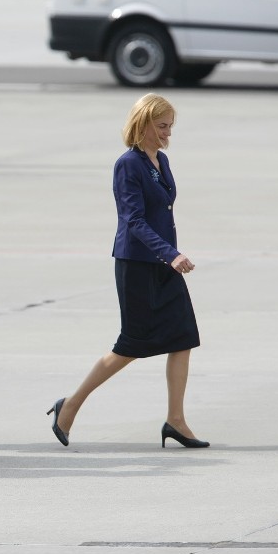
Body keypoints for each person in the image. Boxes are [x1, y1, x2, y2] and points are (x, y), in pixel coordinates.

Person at [48, 93, 208, 449]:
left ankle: (176, 420)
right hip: (138, 264)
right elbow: (132, 220)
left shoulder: (161, 160)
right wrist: (171, 254)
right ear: (144, 124)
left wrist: (170, 256)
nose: (168, 133)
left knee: (183, 337)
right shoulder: (128, 164)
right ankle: (69, 406)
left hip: (164, 263)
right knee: (131, 344)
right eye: (162, 126)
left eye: (171, 126)